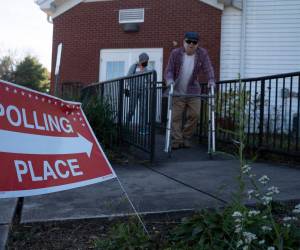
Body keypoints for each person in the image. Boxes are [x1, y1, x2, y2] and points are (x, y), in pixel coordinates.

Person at [164, 31, 216, 149]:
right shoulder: (175, 53)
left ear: (197, 44)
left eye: (194, 42)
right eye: (188, 42)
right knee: (175, 117)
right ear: (184, 42)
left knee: (195, 115)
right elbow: (169, 70)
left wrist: (211, 80)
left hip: (193, 90)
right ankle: (177, 140)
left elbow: (208, 68)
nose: (191, 44)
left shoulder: (202, 54)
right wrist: (169, 80)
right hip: (177, 90)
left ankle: (186, 137)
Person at [126, 53, 150, 133]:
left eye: (147, 60)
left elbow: (148, 79)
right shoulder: (134, 66)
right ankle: (126, 125)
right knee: (132, 109)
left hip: (143, 91)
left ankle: (142, 128)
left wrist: (149, 84)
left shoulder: (146, 68)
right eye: (145, 60)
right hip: (134, 91)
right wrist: (132, 87)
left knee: (143, 109)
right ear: (141, 60)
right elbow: (128, 77)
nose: (146, 62)